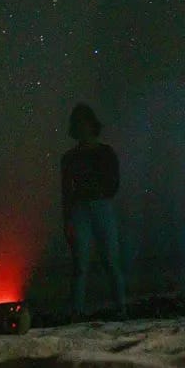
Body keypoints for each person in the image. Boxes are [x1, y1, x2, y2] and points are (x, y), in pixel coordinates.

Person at [61, 103, 128, 320]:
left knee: (110, 261)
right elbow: (66, 191)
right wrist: (67, 219)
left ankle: (120, 308)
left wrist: (96, 191)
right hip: (83, 209)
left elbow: (113, 183)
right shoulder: (70, 158)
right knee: (81, 264)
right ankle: (78, 311)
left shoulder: (105, 153)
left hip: (99, 206)